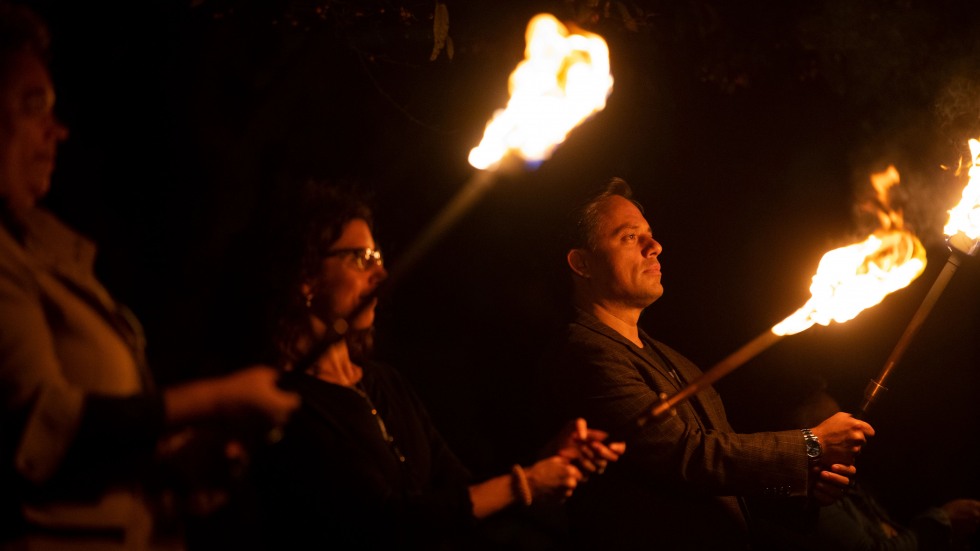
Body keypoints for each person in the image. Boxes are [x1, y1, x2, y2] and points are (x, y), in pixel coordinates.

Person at [0, 3, 300, 549]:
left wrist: (174, 465)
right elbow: (40, 428)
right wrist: (216, 399)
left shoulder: (46, 250)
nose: (58, 131)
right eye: (31, 105)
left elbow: (94, 442)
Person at [225, 180, 625, 549]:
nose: (380, 271)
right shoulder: (282, 404)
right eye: (360, 258)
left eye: (377, 255)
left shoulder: (385, 382)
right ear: (306, 277)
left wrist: (547, 461)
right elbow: (382, 525)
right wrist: (524, 484)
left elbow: (458, 492)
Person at [536, 177, 877, 549]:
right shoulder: (586, 354)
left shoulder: (673, 359)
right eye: (630, 237)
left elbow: (726, 481)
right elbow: (687, 458)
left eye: (649, 234)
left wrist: (805, 486)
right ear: (582, 263)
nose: (655, 246)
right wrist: (811, 444)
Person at [753, 377, 980, 551]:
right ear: (809, 444)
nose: (853, 434)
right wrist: (943, 520)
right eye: (835, 431)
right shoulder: (805, 500)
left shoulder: (847, 483)